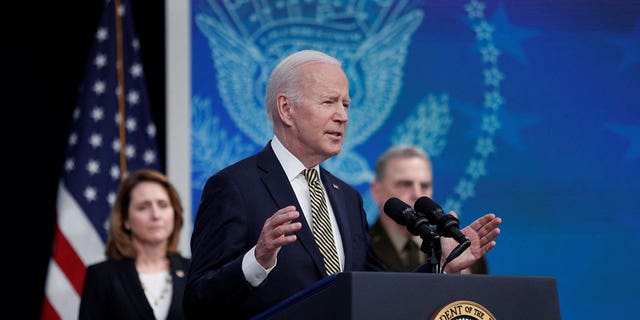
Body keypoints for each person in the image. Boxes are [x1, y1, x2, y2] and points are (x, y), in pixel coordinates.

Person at [184, 49, 502, 319]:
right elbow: (197, 301)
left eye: (346, 105)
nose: (343, 117)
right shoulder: (234, 187)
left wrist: (442, 266)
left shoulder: (347, 198)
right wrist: (257, 260)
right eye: (328, 102)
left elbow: (377, 290)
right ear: (286, 109)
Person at [79, 169, 191, 320]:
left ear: (174, 213)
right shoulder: (102, 276)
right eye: (143, 207)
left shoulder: (193, 272)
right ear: (125, 220)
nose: (156, 215)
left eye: (163, 205)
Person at [369, 145, 493, 274]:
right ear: (376, 190)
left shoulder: (460, 251)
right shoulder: (359, 246)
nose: (417, 194)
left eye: (425, 185)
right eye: (405, 184)